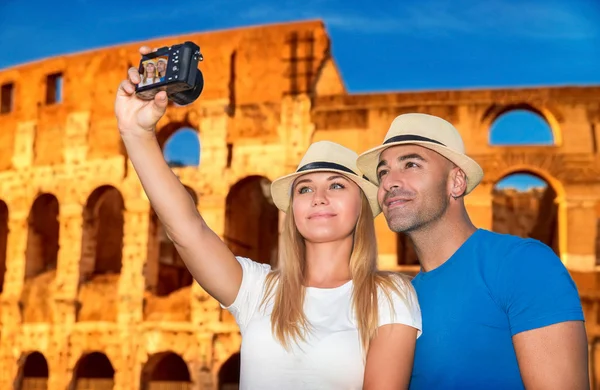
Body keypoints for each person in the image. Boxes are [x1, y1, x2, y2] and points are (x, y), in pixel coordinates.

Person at [115, 46, 422, 390]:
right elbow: (188, 229)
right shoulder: (259, 289)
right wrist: (136, 134)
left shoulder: (389, 294)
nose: (318, 197)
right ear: (293, 213)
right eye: (304, 189)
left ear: (361, 208)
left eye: (336, 185)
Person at [356, 112, 589, 389]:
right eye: (383, 171)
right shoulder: (399, 297)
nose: (389, 182)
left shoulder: (523, 265)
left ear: (456, 182)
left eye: (411, 165)